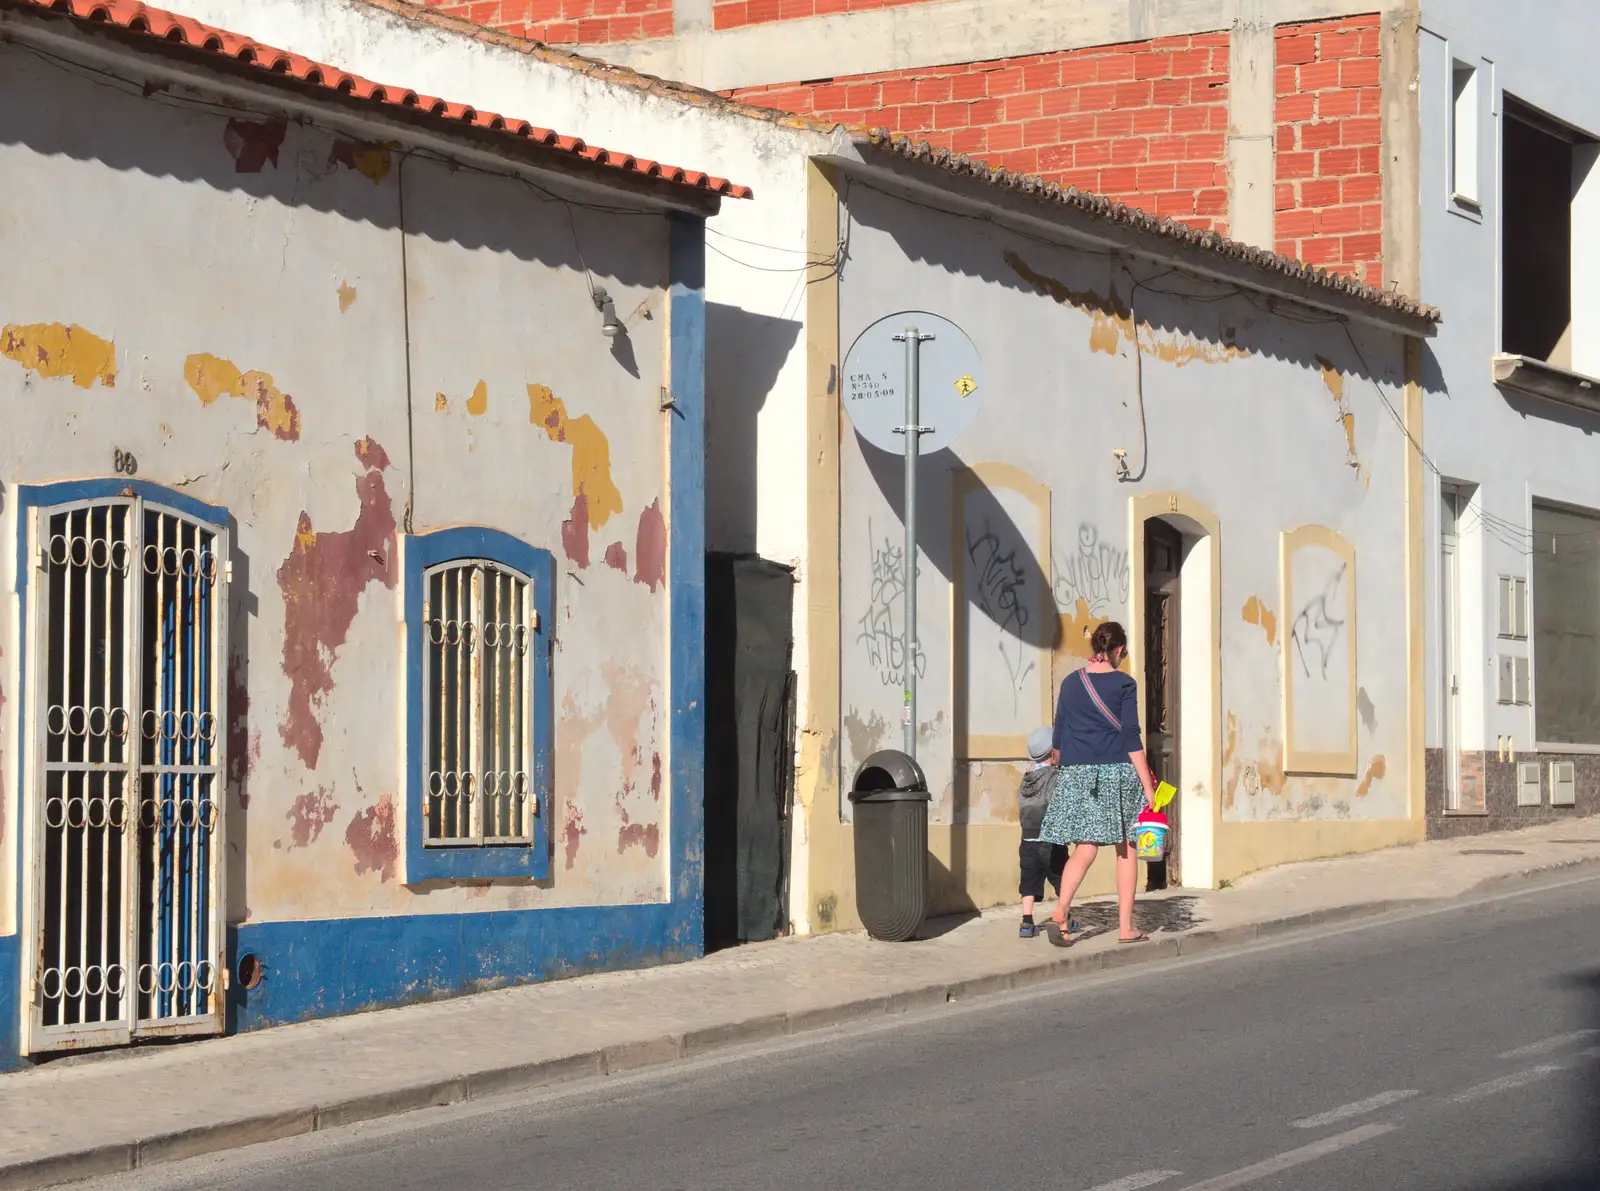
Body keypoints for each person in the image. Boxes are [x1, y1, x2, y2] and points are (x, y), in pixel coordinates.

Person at [1039, 620, 1157, 946]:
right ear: (1118, 650)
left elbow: (1058, 737)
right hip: (1115, 772)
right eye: (1124, 652)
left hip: (1077, 773)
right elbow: (1131, 738)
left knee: (1085, 848)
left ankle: (1062, 909)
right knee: (1127, 847)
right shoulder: (1124, 684)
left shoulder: (1070, 683)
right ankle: (1125, 928)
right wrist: (1148, 787)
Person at [1016, 726, 1070, 939]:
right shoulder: (1055, 777)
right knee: (1063, 881)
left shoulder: (1026, 780)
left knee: (1028, 882)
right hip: (1051, 839)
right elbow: (1059, 804)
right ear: (1053, 752)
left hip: (1027, 839)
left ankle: (1026, 922)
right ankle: (1065, 918)